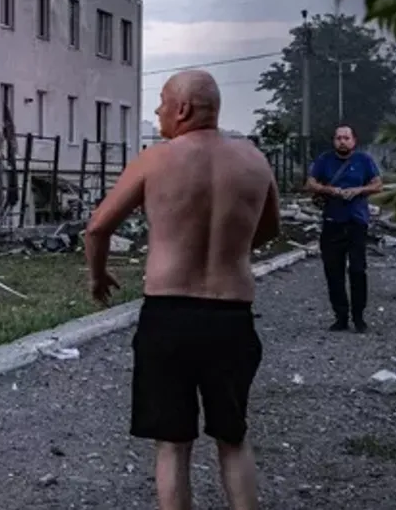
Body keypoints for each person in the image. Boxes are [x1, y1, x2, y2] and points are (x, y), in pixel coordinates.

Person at [83, 69, 280, 510]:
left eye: (161, 102)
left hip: (168, 317)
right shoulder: (254, 161)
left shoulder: (156, 160)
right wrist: (229, 249)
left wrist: (97, 277)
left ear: (183, 109)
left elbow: (96, 229)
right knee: (233, 436)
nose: (157, 111)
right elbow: (270, 228)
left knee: (173, 443)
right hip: (232, 316)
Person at [304, 124, 383, 332]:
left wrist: (359, 190)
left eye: (346, 138)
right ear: (334, 141)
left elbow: (378, 184)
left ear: (354, 141)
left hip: (356, 222)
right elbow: (310, 183)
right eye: (339, 138)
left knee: (357, 270)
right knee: (333, 271)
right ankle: (340, 316)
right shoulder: (324, 160)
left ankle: (359, 316)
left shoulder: (364, 160)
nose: (342, 141)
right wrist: (330, 190)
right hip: (332, 222)